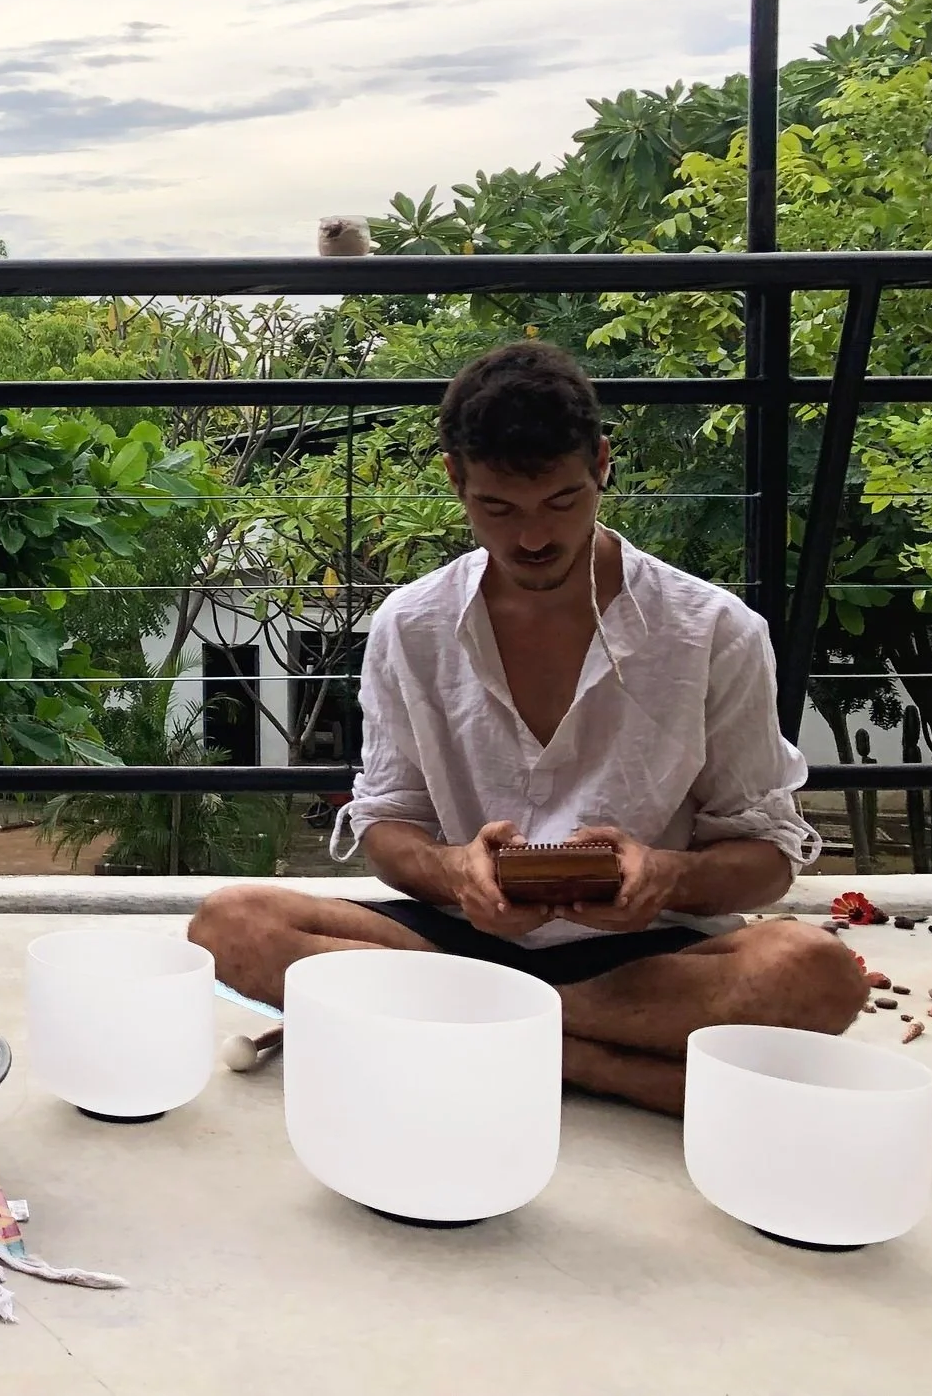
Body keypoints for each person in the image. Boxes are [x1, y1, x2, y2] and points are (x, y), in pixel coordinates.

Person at [189, 340, 864, 1114]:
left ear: (601, 463)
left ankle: (497, 1035)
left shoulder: (714, 630)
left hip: (647, 953)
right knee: (231, 925)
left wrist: (666, 876)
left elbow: (767, 856)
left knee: (815, 971)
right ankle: (607, 1065)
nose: (534, 538)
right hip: (457, 942)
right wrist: (455, 873)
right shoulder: (411, 625)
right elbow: (387, 824)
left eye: (562, 501)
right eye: (499, 509)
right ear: (456, 479)